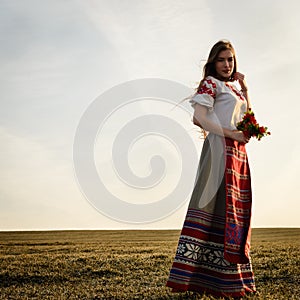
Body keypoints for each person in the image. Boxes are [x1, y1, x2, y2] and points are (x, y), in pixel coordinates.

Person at [166, 40, 256, 298]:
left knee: (233, 212)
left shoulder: (235, 90)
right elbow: (199, 117)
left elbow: (248, 118)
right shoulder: (211, 84)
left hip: (238, 153)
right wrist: (229, 133)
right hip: (219, 149)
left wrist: (246, 90)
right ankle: (195, 278)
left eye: (230, 60)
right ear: (213, 62)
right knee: (210, 206)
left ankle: (230, 280)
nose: (227, 64)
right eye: (222, 60)